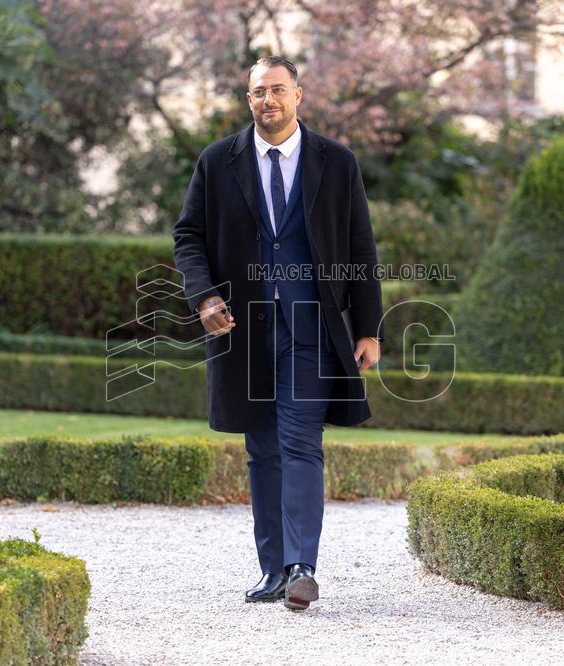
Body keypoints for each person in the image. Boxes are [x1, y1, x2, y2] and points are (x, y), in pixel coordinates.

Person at [172, 55, 384, 612]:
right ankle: (273, 569)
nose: (268, 100)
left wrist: (368, 327)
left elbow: (361, 247)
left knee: (300, 444)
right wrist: (204, 295)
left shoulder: (335, 162)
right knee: (261, 447)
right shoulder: (219, 161)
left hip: (311, 329)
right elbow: (188, 235)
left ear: (298, 95)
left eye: (278, 90)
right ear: (249, 99)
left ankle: (301, 568)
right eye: (257, 91)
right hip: (244, 329)